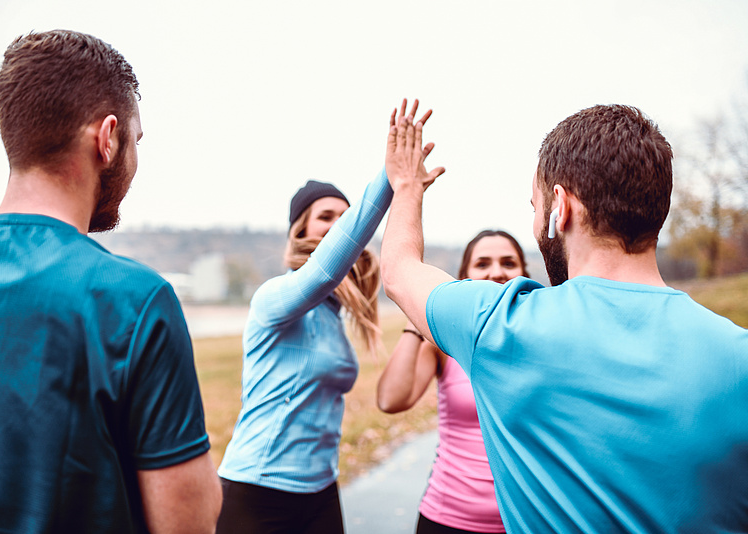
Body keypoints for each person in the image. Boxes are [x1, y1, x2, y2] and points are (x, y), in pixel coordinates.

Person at [380, 102, 748, 532]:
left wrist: (406, 186)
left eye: (534, 205)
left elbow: (399, 270)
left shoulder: (499, 327)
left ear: (561, 207)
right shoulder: (738, 356)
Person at [0, 30, 220, 533]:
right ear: (108, 137)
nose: (134, 161)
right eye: (135, 141)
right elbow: (189, 526)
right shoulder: (137, 302)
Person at [216, 101, 434, 534]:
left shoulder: (333, 314)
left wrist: (411, 195)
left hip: (320, 492)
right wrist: (390, 182)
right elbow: (323, 270)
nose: (336, 226)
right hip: (257, 491)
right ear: (299, 230)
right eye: (325, 218)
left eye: (343, 217)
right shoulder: (275, 299)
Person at [377, 229, 528, 534]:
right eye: (482, 263)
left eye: (508, 263)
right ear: (464, 278)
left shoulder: (538, 339)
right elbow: (391, 399)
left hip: (522, 523)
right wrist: (420, 314)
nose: (496, 271)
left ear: (524, 274)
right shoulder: (443, 345)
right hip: (447, 518)